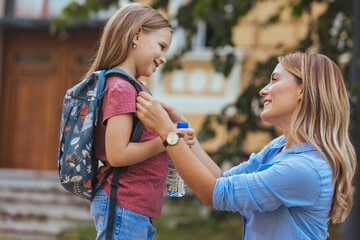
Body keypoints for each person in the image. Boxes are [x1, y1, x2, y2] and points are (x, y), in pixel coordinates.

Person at [136, 52, 357, 239]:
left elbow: (212, 194)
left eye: (275, 80)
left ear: (303, 90)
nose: (263, 90)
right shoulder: (279, 147)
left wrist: (167, 134)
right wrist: (181, 130)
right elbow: (222, 180)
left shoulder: (304, 169)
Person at [88, 3, 195, 240]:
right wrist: (168, 139)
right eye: (161, 46)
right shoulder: (122, 88)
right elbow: (118, 154)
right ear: (137, 35)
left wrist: (172, 133)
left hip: (134, 208)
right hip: (123, 204)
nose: (164, 58)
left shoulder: (132, 87)